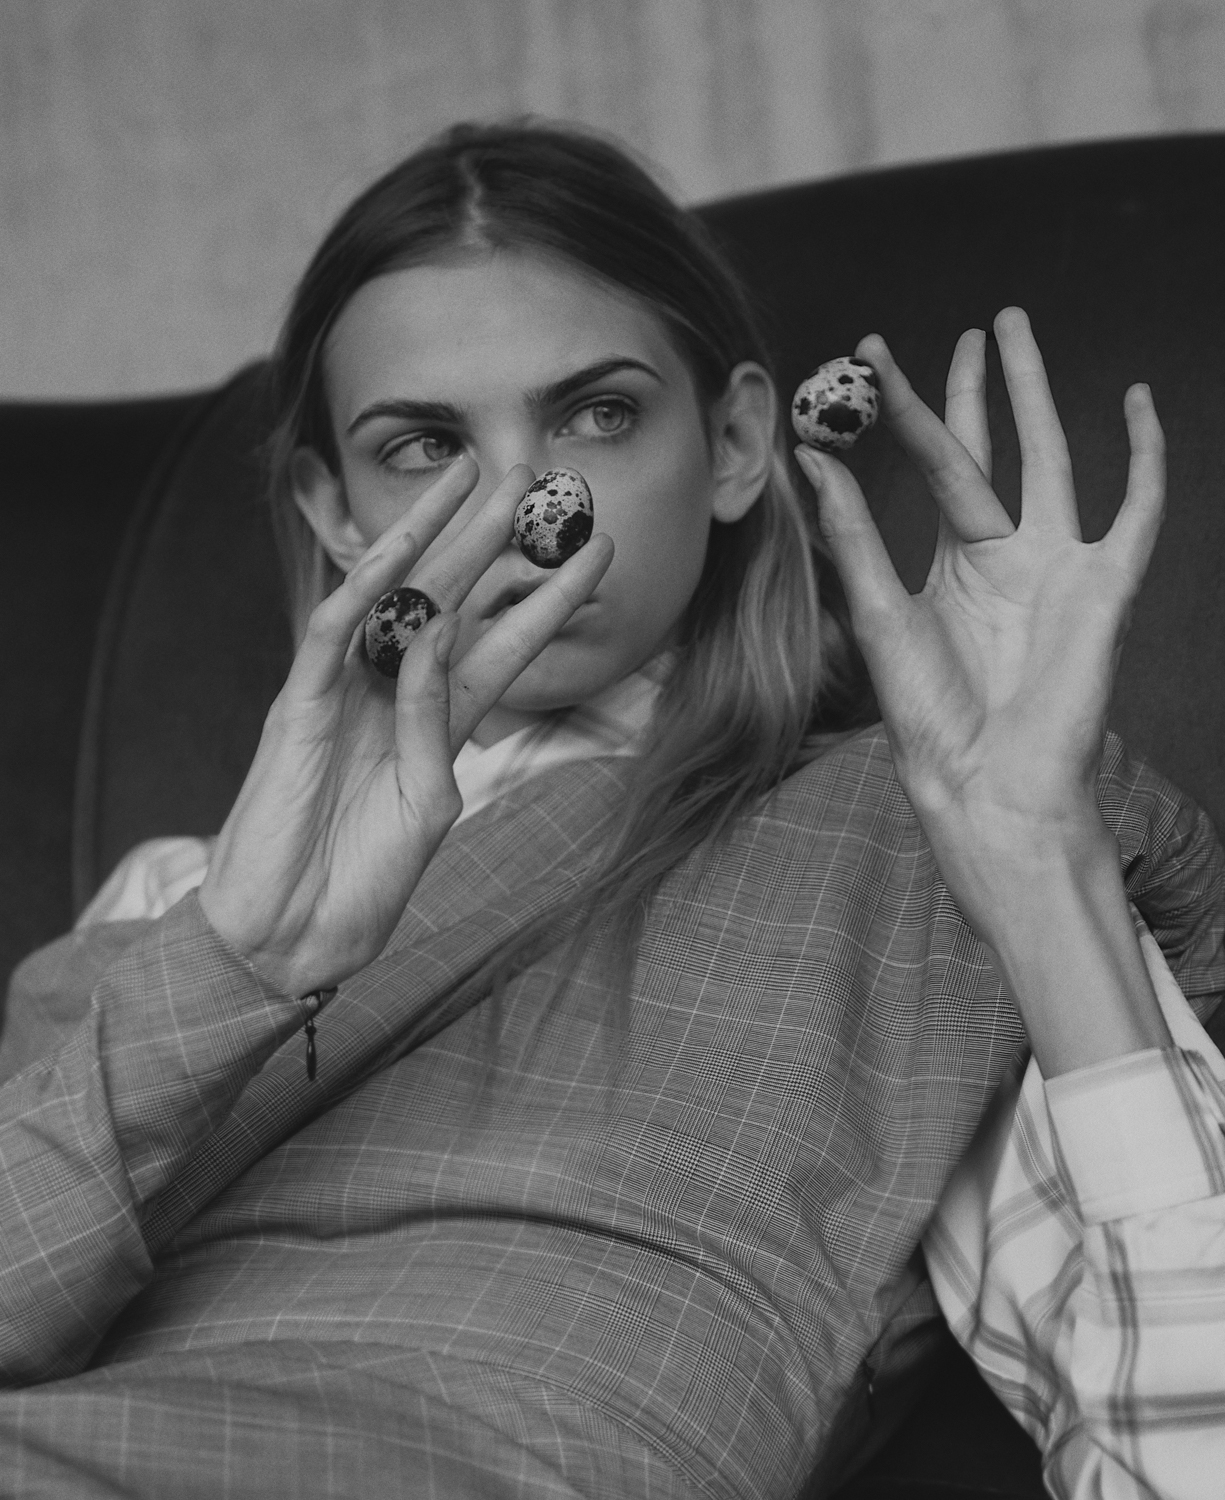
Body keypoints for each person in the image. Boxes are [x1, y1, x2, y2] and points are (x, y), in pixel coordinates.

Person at [1, 120, 1223, 1500]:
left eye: (596, 415)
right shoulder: (177, 901)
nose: (535, 505)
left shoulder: (916, 856)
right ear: (335, 512)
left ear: (736, 441)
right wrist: (241, 968)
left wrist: (1033, 858)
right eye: (422, 445)